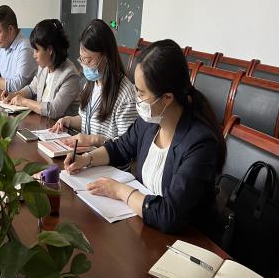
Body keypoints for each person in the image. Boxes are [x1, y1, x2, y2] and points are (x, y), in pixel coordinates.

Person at [64, 39, 225, 234]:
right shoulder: (150, 122)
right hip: (147, 228)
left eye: (141, 93)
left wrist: (119, 190)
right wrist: (85, 159)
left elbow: (169, 215)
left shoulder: (200, 143)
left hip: (188, 239)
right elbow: (119, 148)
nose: (136, 99)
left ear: (167, 98)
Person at [50, 19, 139, 147]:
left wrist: (94, 140)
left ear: (106, 57)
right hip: (87, 155)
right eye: (81, 59)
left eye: (88, 60)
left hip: (107, 159)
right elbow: (87, 120)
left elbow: (127, 146)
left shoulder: (126, 96)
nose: (84, 66)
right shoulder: (91, 83)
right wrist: (68, 121)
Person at [0, 18, 81, 119]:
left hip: (61, 127)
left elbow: (54, 110)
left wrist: (24, 101)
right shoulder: (44, 67)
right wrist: (14, 95)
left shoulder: (70, 75)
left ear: (50, 50)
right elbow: (32, 89)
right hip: (43, 123)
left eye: (37, 51)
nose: (34, 55)